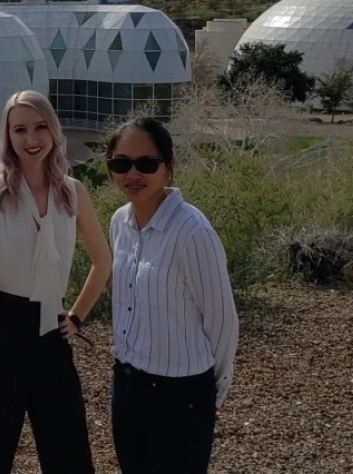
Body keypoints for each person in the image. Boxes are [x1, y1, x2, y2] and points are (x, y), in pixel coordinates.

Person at [0, 90, 113, 473]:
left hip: (52, 329)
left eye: (39, 128)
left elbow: (103, 261)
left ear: (53, 130)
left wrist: (77, 317)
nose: (31, 140)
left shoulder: (72, 192)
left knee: (69, 455)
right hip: (3, 331)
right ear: (8, 137)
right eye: (20, 130)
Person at [104, 117, 239, 474]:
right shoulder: (120, 223)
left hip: (180, 395)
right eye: (121, 163)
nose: (133, 174)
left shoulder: (193, 232)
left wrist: (215, 390)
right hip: (128, 386)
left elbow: (222, 320)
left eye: (146, 164)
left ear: (169, 167)